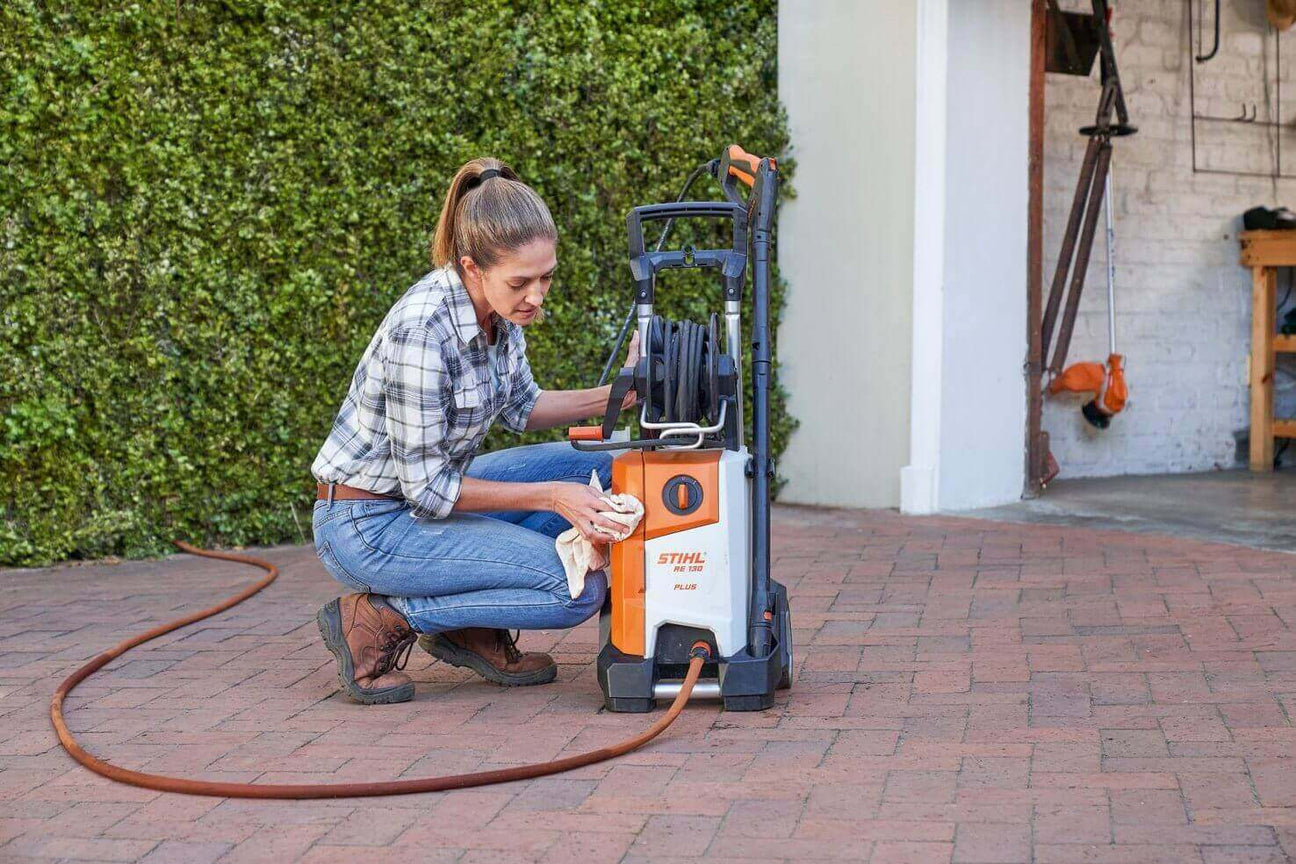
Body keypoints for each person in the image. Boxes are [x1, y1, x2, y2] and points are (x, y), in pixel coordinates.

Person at [310, 157, 637, 705]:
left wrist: (621, 394)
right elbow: (430, 490)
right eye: (521, 282)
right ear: (472, 266)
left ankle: (470, 620)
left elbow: (522, 406)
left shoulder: (500, 317)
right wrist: (556, 498)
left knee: (611, 463)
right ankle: (383, 617)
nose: (538, 296)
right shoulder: (424, 328)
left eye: (547, 276)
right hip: (367, 524)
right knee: (577, 591)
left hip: (422, 501)